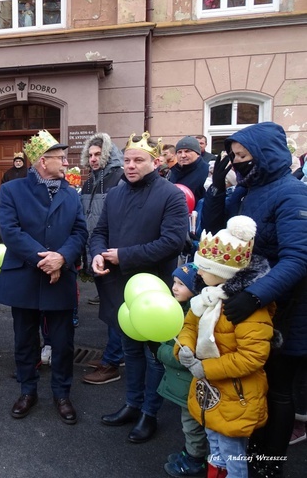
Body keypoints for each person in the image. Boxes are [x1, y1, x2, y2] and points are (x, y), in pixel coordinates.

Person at [201, 121, 307, 476]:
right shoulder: (247, 190)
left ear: (264, 156)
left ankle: (271, 461)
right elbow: (216, 229)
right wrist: (217, 189)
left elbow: (298, 258)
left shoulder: (291, 193)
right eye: (234, 157)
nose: (238, 163)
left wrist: (254, 295)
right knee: (253, 382)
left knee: (278, 387)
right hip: (254, 302)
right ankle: (251, 449)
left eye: (243, 156)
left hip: (286, 307)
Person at [91, 131, 188, 443]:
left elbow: (173, 242)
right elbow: (100, 231)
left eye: (138, 160)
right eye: (128, 160)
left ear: (155, 162)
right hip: (121, 287)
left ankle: (150, 412)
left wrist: (123, 256)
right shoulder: (116, 194)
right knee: (130, 350)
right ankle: (132, 404)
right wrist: (96, 254)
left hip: (154, 289)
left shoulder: (170, 195)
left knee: (153, 354)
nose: (130, 166)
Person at [0, 129, 88, 425]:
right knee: (24, 340)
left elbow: (80, 232)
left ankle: (62, 393)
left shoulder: (70, 193)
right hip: (25, 276)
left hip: (60, 275)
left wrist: (62, 257)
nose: (65, 163)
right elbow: (10, 232)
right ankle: (27, 390)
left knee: (62, 341)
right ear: (42, 162)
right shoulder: (12, 190)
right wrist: (46, 260)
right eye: (60, 158)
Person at [177, 215, 273, 478]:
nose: (198, 272)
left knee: (233, 457)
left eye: (204, 268)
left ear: (221, 273)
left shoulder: (248, 310)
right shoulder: (204, 299)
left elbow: (253, 357)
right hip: (211, 393)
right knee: (215, 447)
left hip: (235, 395)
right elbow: (189, 327)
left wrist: (205, 368)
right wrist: (184, 348)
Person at [79, 132, 125, 383]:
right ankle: (113, 354)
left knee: (115, 309)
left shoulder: (119, 178)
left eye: (98, 154)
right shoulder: (89, 181)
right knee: (109, 308)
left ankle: (112, 362)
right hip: (94, 251)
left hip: (111, 253)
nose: (94, 159)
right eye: (91, 154)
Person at [157, 263, 209, 478]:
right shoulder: (175, 310)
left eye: (181, 284)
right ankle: (192, 453)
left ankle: (195, 459)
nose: (174, 287)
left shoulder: (196, 318)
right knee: (189, 423)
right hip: (183, 384)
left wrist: (162, 352)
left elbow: (184, 355)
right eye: (174, 282)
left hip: (191, 385)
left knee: (192, 424)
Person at [169, 136, 209, 204]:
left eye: (187, 151)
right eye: (179, 152)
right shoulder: (173, 171)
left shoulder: (207, 172)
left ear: (198, 154)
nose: (183, 155)